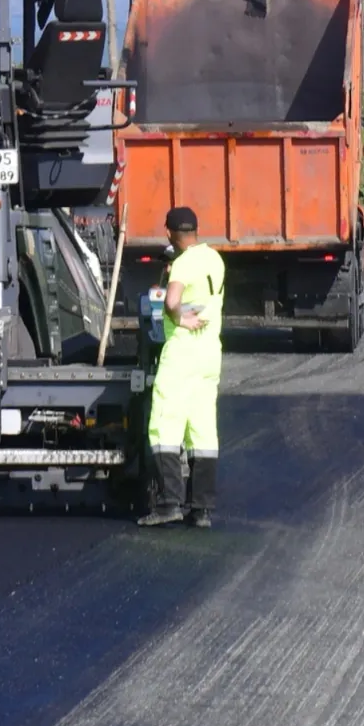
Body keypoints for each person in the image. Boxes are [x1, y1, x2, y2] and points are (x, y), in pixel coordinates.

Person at [139, 206, 227, 528]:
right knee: (202, 430)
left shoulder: (182, 263)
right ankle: (201, 509)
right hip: (209, 354)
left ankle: (168, 503)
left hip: (182, 355)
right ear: (197, 230)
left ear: (169, 233)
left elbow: (172, 300)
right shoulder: (213, 259)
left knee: (164, 424)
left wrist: (178, 318)